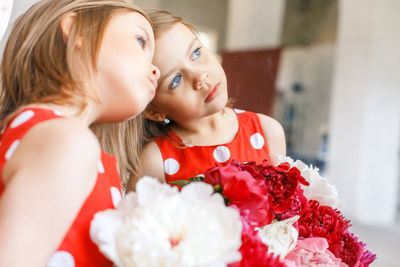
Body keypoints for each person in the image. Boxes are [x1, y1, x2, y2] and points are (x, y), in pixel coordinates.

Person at [0, 0, 159, 266]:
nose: (156, 70)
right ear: (77, 32)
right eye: (141, 41)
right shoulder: (65, 140)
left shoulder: (48, 134)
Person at [126, 10, 286, 191]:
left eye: (195, 53)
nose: (200, 76)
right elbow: (137, 219)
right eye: (176, 80)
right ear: (153, 111)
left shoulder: (268, 132)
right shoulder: (156, 161)